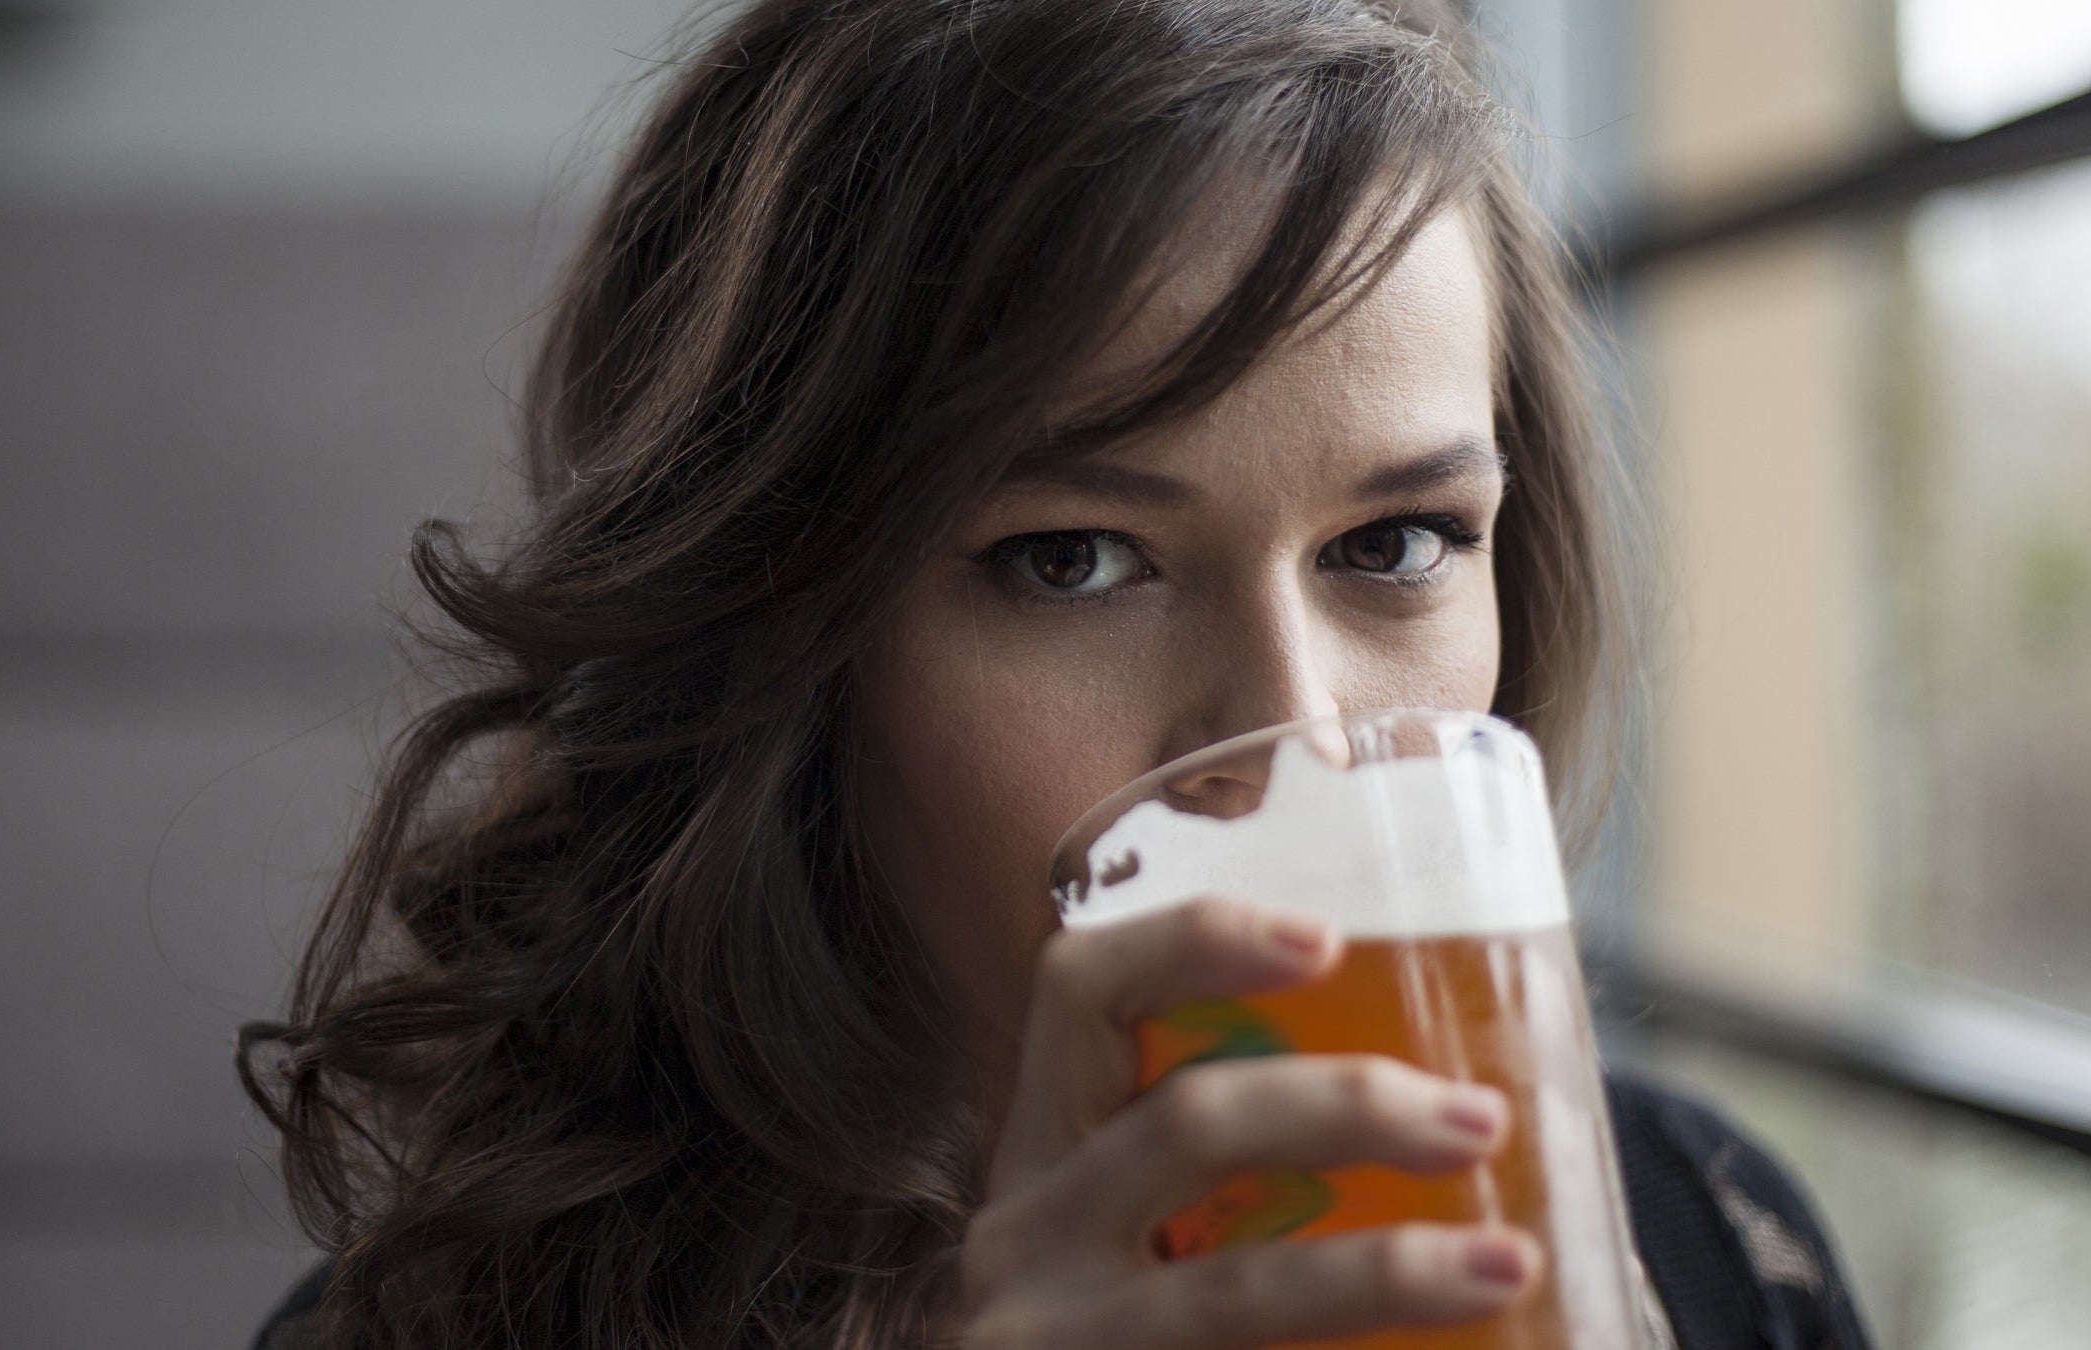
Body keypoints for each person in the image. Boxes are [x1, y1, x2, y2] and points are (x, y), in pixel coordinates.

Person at [238, 1, 1874, 1346]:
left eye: (1394, 544)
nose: (1292, 735)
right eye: (1073, 559)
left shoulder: (1711, 1243)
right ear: (778, 636)